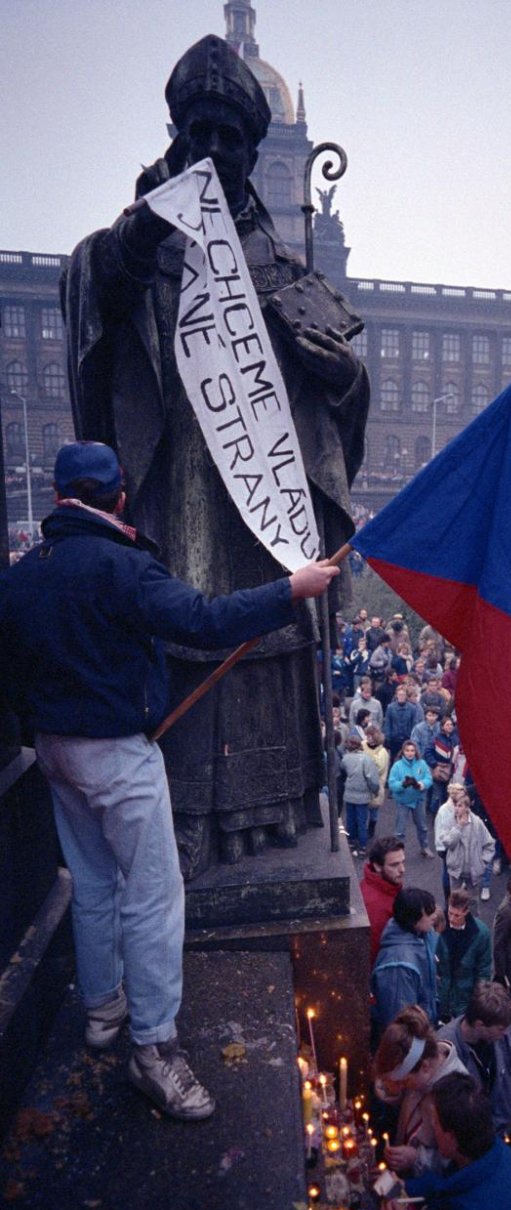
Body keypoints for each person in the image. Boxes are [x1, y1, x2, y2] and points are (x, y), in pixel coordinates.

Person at [62, 35, 369, 873]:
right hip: (180, 473)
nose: (213, 150)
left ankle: (266, 811)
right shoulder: (134, 243)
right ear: (175, 134)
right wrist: (131, 246)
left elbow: (347, 383)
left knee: (268, 630)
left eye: (231, 136)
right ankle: (187, 808)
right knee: (186, 625)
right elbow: (90, 294)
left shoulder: (279, 263)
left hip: (263, 484)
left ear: (252, 149)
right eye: (198, 131)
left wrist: (338, 373)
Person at [0, 441, 338, 1121]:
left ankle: (101, 1012)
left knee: (93, 884)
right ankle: (154, 1050)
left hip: (54, 752)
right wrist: (289, 591)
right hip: (118, 756)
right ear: (118, 497)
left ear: (61, 495)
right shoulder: (125, 567)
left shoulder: (22, 574)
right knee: (154, 901)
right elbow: (204, 621)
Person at [380, 1072, 511, 1210]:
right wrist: (408, 1187)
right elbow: (452, 1183)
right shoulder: (493, 1151)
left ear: (451, 1137)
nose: (430, 1127)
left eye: (434, 1122)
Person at [372, 1006, 468, 1178]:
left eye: (404, 1082)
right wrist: (393, 1090)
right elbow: (405, 1094)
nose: (403, 1086)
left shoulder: (457, 1094)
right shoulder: (420, 1059)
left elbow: (456, 1159)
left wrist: (416, 1158)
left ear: (424, 1067)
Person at [438, 981, 511, 1135]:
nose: (507, 1033)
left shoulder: (506, 1025)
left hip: (502, 1126)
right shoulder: (445, 1049)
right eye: (501, 1029)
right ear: (480, 1025)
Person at [372, 888, 439, 1031]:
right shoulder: (398, 968)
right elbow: (402, 1025)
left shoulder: (422, 934)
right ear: (413, 920)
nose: (435, 916)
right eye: (429, 912)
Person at [436, 890, 492, 1022]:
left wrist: (479, 998)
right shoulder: (437, 926)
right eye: (450, 913)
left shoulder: (481, 934)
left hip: (464, 997)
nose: (451, 919)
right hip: (440, 994)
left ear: (466, 912)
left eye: (457, 915)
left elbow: (483, 969)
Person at [444, 793, 496, 907]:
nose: (456, 809)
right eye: (455, 805)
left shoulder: (477, 823)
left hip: (472, 871)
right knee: (454, 900)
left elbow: (490, 844)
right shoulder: (451, 821)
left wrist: (482, 862)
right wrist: (459, 827)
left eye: (460, 806)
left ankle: (473, 922)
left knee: (473, 902)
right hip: (455, 869)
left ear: (467, 807)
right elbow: (448, 842)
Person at [360, 836, 405, 962]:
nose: (402, 869)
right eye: (394, 865)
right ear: (378, 866)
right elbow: (375, 954)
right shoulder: (375, 907)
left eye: (403, 862)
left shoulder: (385, 886)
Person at [388, 740, 434, 857]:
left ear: (416, 751)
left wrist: (420, 784)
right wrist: (403, 785)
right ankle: (399, 853)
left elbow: (429, 779)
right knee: (400, 830)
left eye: (412, 750)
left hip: (418, 800)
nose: (410, 753)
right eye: (407, 750)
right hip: (403, 801)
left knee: (422, 827)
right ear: (403, 751)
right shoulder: (397, 766)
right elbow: (391, 784)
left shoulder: (422, 763)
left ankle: (424, 847)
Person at [339, 730, 380, 855]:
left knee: (350, 819)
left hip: (349, 794)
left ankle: (351, 842)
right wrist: (375, 790)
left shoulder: (345, 759)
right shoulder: (366, 759)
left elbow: (343, 773)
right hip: (362, 795)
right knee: (362, 821)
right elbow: (371, 778)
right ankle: (362, 846)